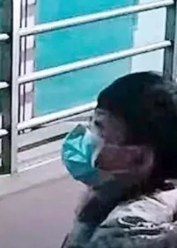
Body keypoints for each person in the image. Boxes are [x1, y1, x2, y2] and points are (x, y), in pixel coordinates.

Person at [61, 71, 177, 247]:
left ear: (139, 159)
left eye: (99, 128)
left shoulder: (119, 236)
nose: (86, 136)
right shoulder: (109, 199)